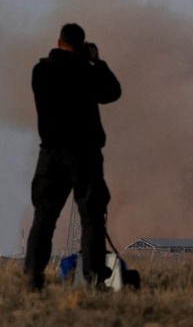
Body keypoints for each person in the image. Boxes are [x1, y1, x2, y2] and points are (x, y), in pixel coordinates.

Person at [24, 23, 121, 290]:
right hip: (84, 155)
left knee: (44, 217)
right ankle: (92, 279)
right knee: (91, 217)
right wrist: (96, 62)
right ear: (82, 45)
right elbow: (112, 92)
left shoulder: (41, 71)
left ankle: (32, 276)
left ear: (58, 42)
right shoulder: (86, 72)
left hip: (51, 154)